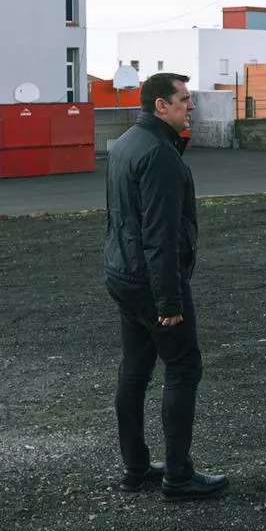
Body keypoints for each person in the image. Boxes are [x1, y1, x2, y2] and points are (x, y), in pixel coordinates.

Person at [103, 72, 229, 502]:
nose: (190, 106)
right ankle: (178, 475)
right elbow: (160, 234)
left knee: (135, 369)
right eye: (183, 99)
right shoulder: (158, 154)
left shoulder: (125, 144)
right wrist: (170, 300)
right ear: (161, 105)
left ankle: (136, 468)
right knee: (182, 367)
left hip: (123, 273)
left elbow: (118, 219)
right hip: (149, 280)